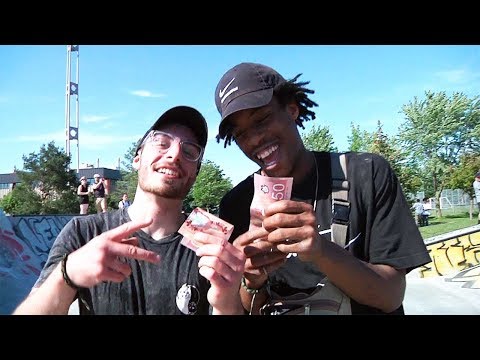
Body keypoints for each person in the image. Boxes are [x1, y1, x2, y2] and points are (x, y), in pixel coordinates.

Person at [213, 62, 431, 315]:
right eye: (240, 134)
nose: (253, 140)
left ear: (292, 109)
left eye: (261, 119)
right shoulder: (236, 204)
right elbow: (246, 308)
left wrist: (321, 251)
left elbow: (391, 296)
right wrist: (252, 281)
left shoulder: (366, 174)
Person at [13, 105, 246, 315]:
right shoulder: (84, 232)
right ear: (137, 158)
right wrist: (67, 274)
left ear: (195, 172)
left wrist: (227, 305)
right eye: (162, 143)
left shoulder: (211, 245)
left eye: (189, 152)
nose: (174, 155)